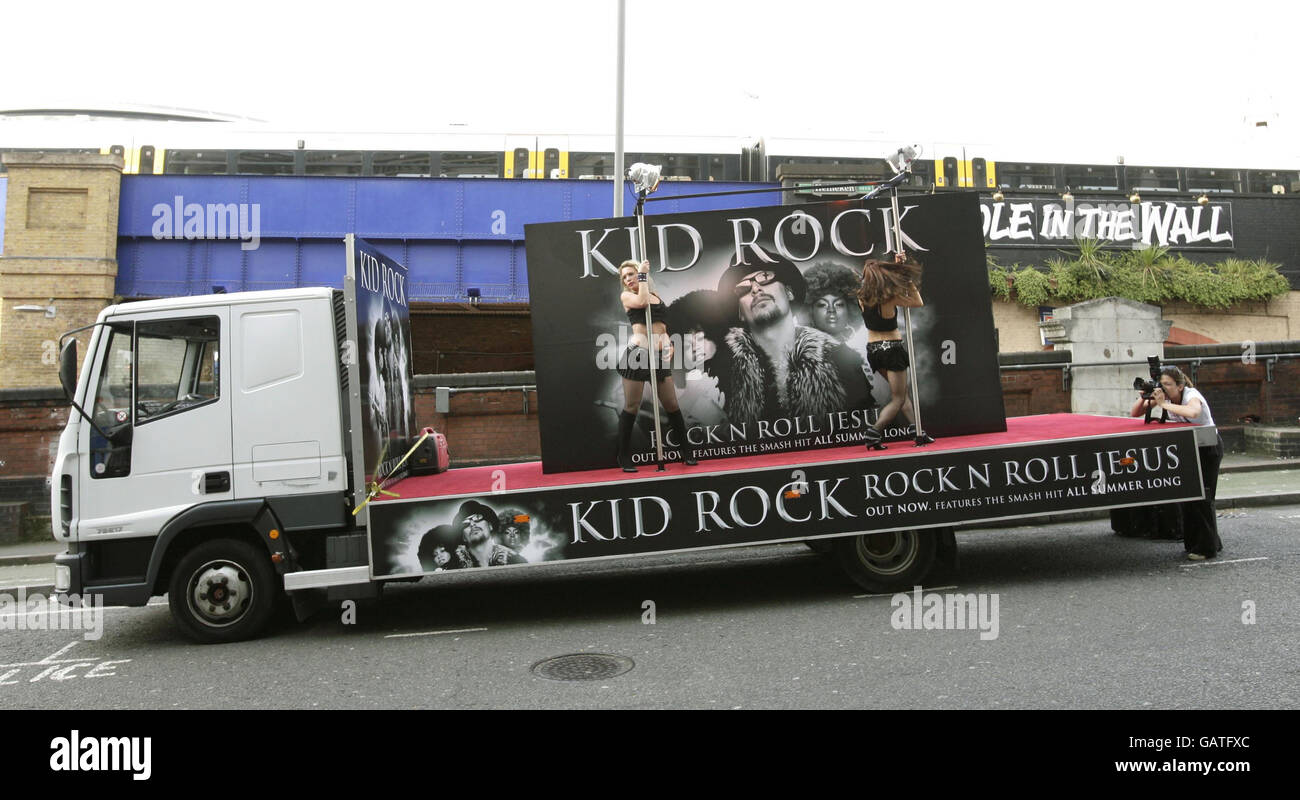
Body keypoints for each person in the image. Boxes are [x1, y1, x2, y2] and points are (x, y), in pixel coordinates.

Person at [716, 252, 876, 439]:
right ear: (740, 313)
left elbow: (865, 430)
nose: (755, 288)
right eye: (743, 288)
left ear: (790, 293)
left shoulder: (841, 358)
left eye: (765, 277)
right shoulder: (721, 371)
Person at [1130, 367, 1223, 560]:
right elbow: (1135, 413)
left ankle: (1206, 549)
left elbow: (1194, 412)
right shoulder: (1166, 397)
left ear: (1180, 386)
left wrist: (1164, 404)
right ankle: (1204, 542)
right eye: (1161, 384)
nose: (1163, 388)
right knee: (1190, 497)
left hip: (1208, 448)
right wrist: (1147, 395)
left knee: (1203, 497)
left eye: (1167, 384)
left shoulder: (1191, 395)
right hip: (1188, 448)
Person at [615, 259, 697, 472]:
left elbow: (661, 325)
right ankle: (623, 456)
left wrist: (668, 341)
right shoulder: (628, 296)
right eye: (624, 277)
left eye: (631, 274)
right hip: (637, 355)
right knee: (631, 406)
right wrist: (642, 275)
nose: (628, 279)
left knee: (671, 404)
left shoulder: (656, 295)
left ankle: (686, 451)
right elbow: (641, 302)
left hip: (659, 356)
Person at [857, 251, 932, 448]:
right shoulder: (888, 299)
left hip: (873, 350)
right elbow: (918, 302)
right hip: (892, 350)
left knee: (902, 394)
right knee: (898, 398)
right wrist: (906, 277)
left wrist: (898, 267)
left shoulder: (861, 298)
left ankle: (918, 433)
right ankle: (873, 432)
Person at [426, 500, 528, 570]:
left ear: (490, 526)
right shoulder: (450, 568)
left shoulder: (517, 561)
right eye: (465, 523)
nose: (472, 524)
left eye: (478, 518)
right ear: (463, 537)